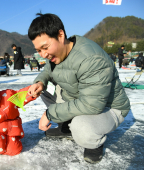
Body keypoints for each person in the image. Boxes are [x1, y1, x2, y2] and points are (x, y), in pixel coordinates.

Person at [27, 13, 130, 164]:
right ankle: (66, 128)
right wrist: (40, 82)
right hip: (80, 97)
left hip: (108, 107)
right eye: (39, 50)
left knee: (81, 127)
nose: (43, 55)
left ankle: (94, 142)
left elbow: (92, 105)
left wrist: (50, 113)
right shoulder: (59, 53)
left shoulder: (91, 59)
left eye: (45, 47)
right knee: (46, 92)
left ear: (60, 35)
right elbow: (48, 70)